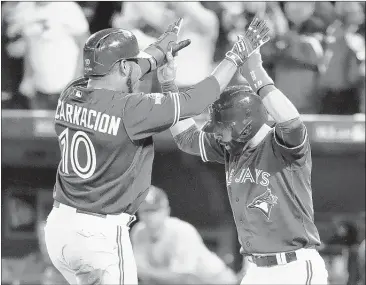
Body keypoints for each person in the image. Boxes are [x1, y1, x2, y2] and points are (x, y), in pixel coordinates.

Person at [44, 17, 269, 285]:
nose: (137, 71)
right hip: (97, 234)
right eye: (131, 64)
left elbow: (124, 68)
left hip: (59, 230)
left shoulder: (71, 93)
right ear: (124, 66)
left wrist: (158, 52)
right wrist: (235, 55)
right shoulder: (130, 109)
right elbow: (197, 100)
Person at [170, 17, 329, 284]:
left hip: (294, 267)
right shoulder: (231, 147)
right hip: (255, 269)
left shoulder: (284, 146)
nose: (217, 133)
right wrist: (167, 86)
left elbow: (291, 121)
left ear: (245, 125)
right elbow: (186, 138)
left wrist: (254, 69)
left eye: (222, 127)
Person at [131, 185, 237, 285]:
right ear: (139, 213)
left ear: (166, 211)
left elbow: (182, 278)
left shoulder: (182, 231)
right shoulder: (138, 232)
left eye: (155, 210)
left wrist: (144, 272)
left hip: (216, 281)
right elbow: (143, 275)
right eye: (146, 211)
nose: (151, 216)